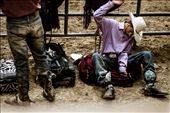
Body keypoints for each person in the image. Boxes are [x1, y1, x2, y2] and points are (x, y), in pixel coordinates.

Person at [92, 0, 169, 99]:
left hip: (122, 61)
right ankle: (107, 86)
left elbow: (124, 53)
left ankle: (150, 85)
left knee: (147, 54)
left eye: (134, 34)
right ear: (128, 24)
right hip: (107, 59)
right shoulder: (111, 24)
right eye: (132, 31)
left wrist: (122, 68)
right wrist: (112, 4)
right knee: (96, 56)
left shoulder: (130, 37)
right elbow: (96, 15)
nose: (131, 34)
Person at [0, 0, 55, 105]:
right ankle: (49, 90)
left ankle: (23, 97)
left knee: (21, 62)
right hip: (35, 19)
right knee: (41, 56)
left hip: (15, 22)